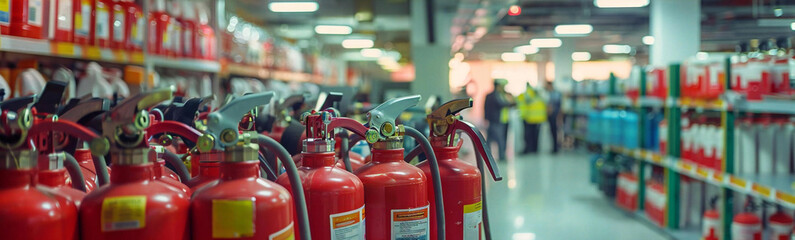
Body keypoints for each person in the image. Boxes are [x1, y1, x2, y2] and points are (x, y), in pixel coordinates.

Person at [484, 79, 514, 161]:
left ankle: (493, 156)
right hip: (495, 120)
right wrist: (510, 103)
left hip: (500, 120)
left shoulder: (499, 95)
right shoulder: (495, 95)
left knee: (494, 139)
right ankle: (500, 156)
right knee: (498, 139)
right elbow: (500, 104)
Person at [517, 83, 546, 154]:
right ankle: (534, 149)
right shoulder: (539, 96)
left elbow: (520, 100)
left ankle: (529, 149)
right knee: (534, 136)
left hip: (529, 118)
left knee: (528, 136)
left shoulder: (528, 94)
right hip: (536, 119)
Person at [544, 81, 562, 153]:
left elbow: (555, 106)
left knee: (555, 132)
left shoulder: (555, 94)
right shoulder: (549, 94)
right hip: (551, 116)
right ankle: (554, 147)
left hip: (555, 116)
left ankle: (556, 148)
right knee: (552, 132)